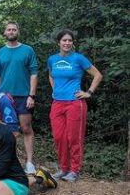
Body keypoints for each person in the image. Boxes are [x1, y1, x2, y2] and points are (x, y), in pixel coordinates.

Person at [47, 29, 103, 182]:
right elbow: (51, 75)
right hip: (57, 103)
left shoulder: (78, 58)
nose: (67, 43)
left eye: (69, 40)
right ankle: (64, 168)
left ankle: (75, 170)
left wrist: (89, 92)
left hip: (75, 103)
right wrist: (55, 90)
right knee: (59, 137)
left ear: (72, 43)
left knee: (74, 138)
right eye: (64, 40)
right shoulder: (52, 59)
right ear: (58, 42)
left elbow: (98, 75)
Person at [0, 22, 38, 174]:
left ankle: (30, 162)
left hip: (24, 96)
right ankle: (8, 162)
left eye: (14, 29)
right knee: (6, 131)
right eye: (9, 29)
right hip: (5, 98)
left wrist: (31, 95)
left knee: (26, 128)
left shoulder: (27, 50)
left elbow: (34, 73)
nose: (11, 31)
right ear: (4, 32)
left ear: (18, 31)